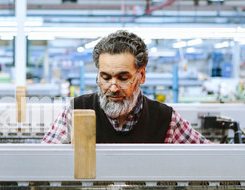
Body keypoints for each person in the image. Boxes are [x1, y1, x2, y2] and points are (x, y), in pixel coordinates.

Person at [42, 30, 210, 144]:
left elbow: (212, 159)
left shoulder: (165, 119)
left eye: (123, 78)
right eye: (105, 77)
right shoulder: (76, 111)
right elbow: (42, 163)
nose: (113, 88)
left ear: (141, 75)